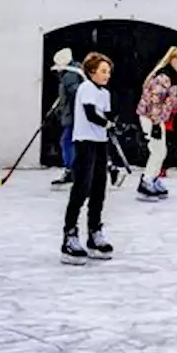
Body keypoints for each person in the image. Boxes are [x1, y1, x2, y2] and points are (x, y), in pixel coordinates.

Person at [62, 52, 116, 264]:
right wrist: (107, 124)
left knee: (99, 188)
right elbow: (91, 115)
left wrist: (114, 122)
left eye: (109, 71)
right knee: (81, 188)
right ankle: (70, 235)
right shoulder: (86, 89)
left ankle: (94, 231)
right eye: (103, 71)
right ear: (92, 72)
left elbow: (108, 114)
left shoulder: (105, 93)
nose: (107, 75)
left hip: (101, 143)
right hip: (85, 142)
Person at [135, 47, 177, 200]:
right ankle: (146, 181)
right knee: (157, 151)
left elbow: (170, 100)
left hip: (156, 119)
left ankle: (153, 178)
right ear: (174, 60)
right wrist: (155, 124)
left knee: (161, 151)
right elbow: (155, 101)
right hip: (150, 118)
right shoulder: (164, 77)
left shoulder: (172, 77)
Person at [49, 48, 85, 189]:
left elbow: (75, 95)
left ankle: (71, 170)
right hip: (74, 116)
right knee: (71, 142)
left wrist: (65, 111)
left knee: (67, 141)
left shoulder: (70, 76)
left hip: (74, 117)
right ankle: (73, 170)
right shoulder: (74, 73)